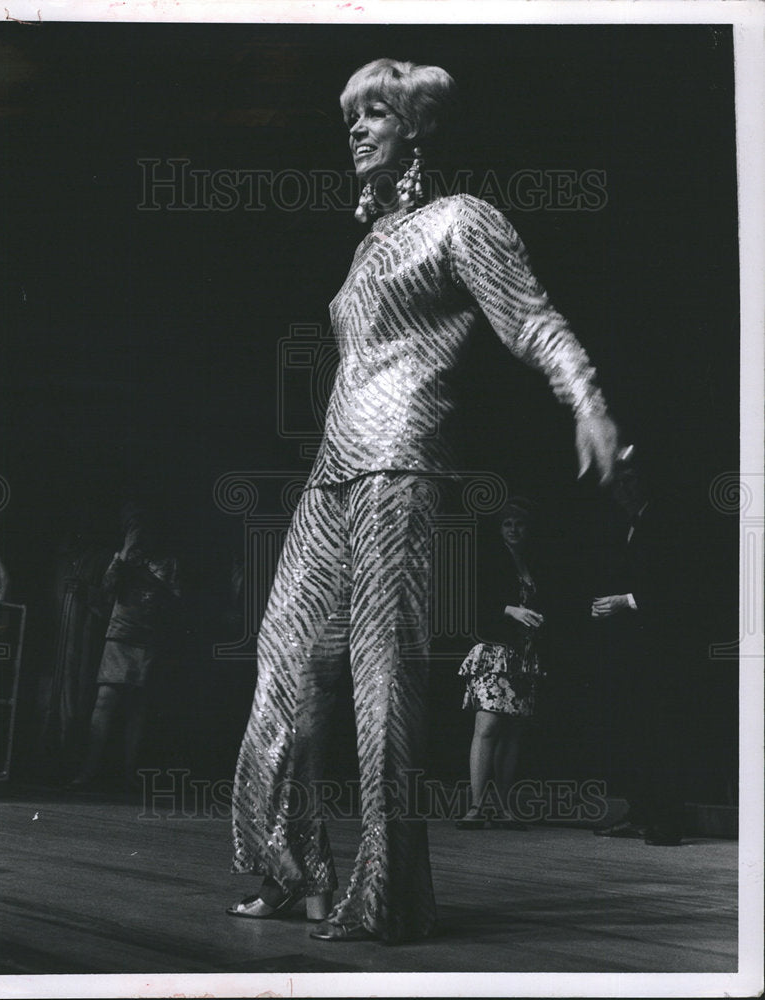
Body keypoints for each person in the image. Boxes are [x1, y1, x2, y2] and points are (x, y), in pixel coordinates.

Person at [228, 58, 620, 943]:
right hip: (331, 469)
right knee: (284, 669)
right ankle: (295, 874)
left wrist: (586, 400)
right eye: (352, 117)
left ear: (419, 129)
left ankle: (389, 891)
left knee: (382, 676)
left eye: (377, 113)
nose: (358, 128)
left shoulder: (463, 220)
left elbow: (529, 317)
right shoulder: (369, 243)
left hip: (403, 460)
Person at [590, 457, 685, 846]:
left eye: (628, 483)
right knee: (637, 730)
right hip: (636, 650)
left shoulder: (663, 523)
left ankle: (665, 820)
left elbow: (679, 584)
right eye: (618, 486)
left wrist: (625, 601)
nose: (621, 492)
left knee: (660, 732)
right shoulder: (634, 525)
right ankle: (642, 811)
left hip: (662, 651)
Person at [69, 503, 180, 790]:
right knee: (105, 702)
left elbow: (172, 595)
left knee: (137, 708)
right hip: (119, 635)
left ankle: (128, 773)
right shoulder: (124, 558)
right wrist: (122, 558)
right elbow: (108, 590)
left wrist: (137, 567)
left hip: (149, 638)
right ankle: (87, 770)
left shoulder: (167, 561)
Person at [456, 498, 545, 830]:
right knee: (488, 726)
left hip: (523, 656)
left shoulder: (531, 563)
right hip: (494, 652)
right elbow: (474, 602)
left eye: (518, 524)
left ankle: (504, 806)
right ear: (499, 530)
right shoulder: (491, 560)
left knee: (512, 732)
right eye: (507, 524)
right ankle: (477, 805)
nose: (513, 530)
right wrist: (511, 611)